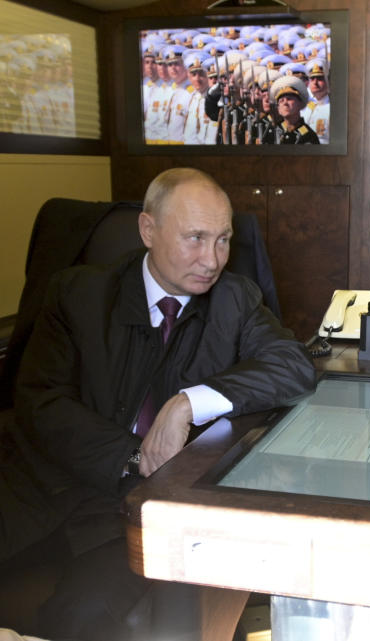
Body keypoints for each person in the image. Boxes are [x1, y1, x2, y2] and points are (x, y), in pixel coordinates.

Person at [0, 168, 316, 641]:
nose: (212, 260)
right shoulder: (79, 292)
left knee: (80, 616)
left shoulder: (234, 299)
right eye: (195, 238)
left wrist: (188, 402)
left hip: (131, 515)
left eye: (224, 240)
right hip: (44, 488)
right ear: (149, 230)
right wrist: (132, 455)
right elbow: (41, 403)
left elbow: (293, 366)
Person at [269, 75, 319, 144]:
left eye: (289, 99)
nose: (285, 103)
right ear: (278, 109)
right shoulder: (273, 131)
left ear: (300, 104)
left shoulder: (308, 136)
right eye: (281, 101)